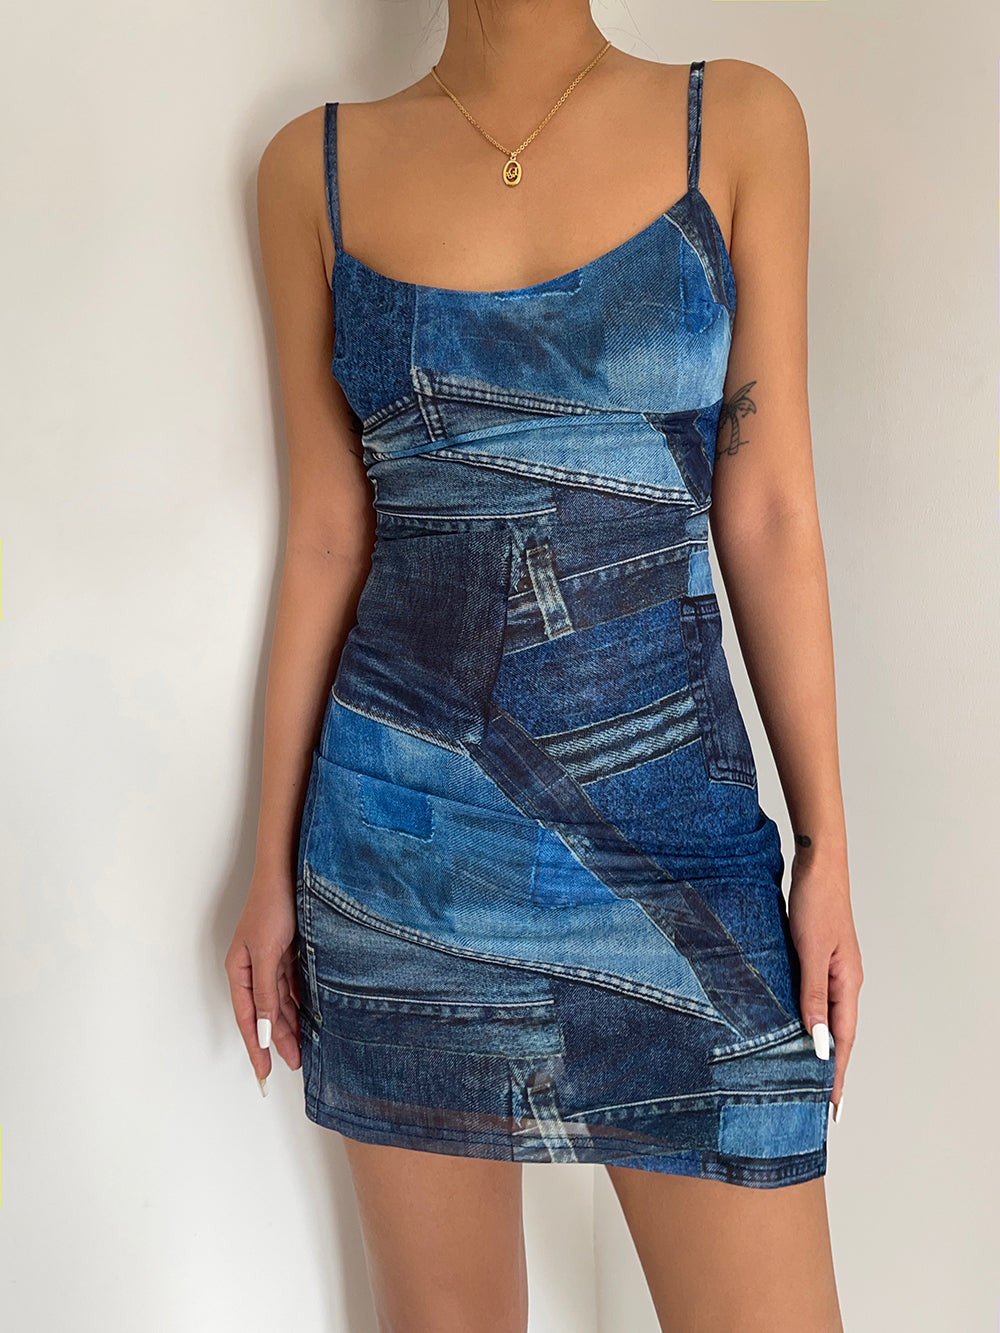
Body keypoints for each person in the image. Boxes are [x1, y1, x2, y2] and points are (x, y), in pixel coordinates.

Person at [226, 4, 864, 1329]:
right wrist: (269, 866)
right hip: (403, 854)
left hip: (678, 842)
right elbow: (330, 534)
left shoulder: (737, 122)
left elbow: (767, 512)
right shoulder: (310, 170)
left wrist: (827, 847)